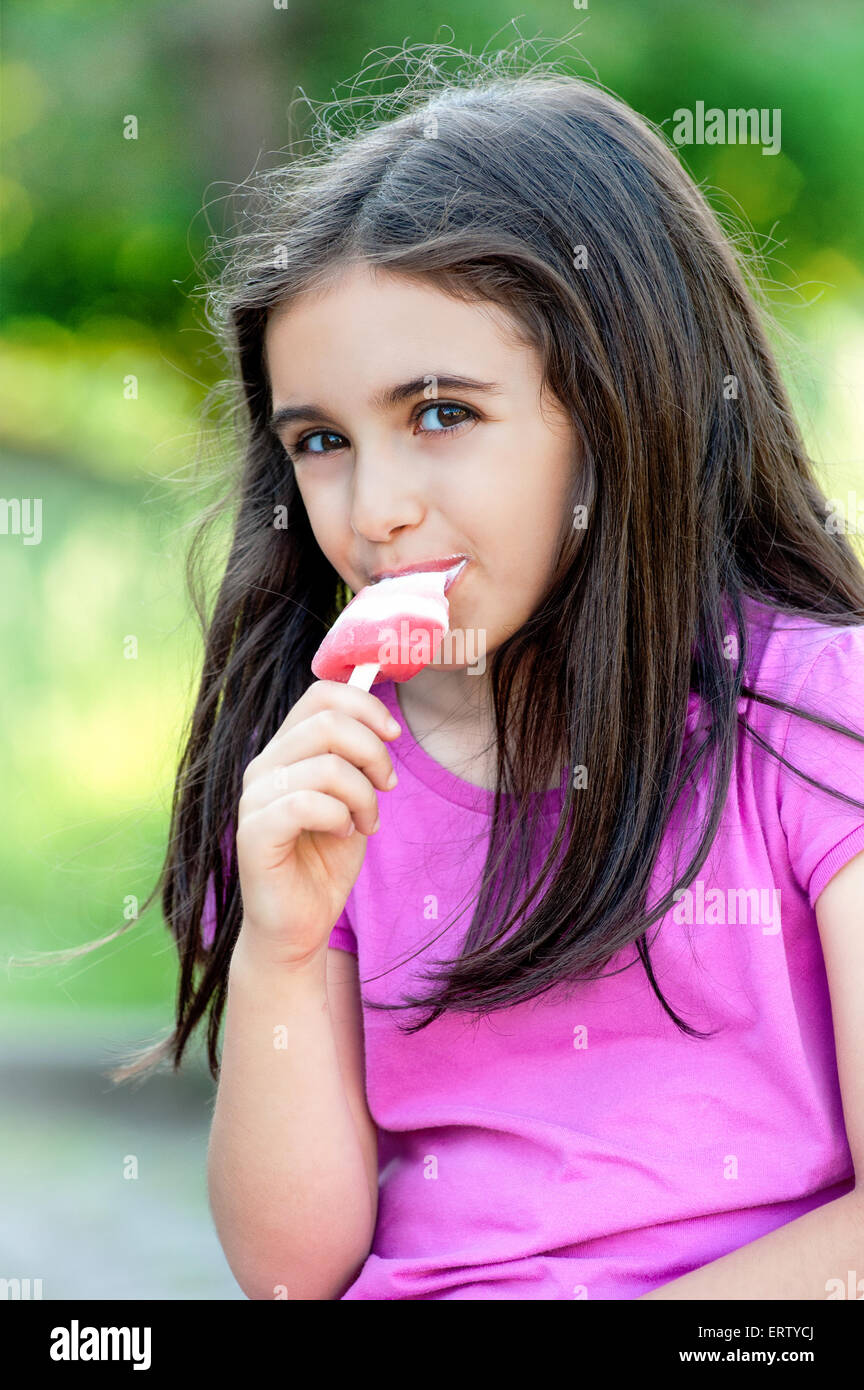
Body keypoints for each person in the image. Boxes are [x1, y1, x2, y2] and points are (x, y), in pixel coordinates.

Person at [108, 54, 864, 1299]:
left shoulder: (811, 718)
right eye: (323, 441)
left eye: (443, 413)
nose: (379, 508)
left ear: (627, 407)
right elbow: (292, 1273)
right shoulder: (342, 769)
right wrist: (284, 950)